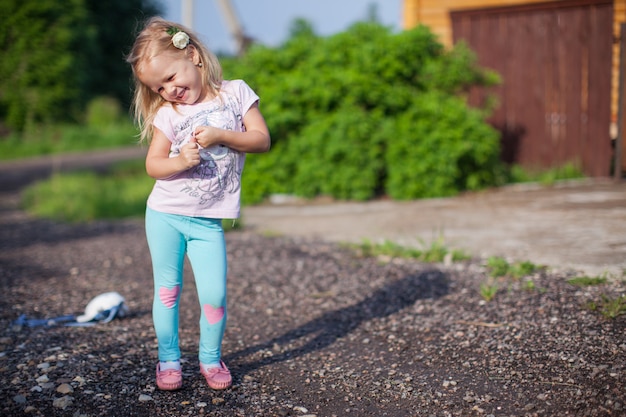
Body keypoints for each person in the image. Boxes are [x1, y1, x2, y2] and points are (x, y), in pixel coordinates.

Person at [126, 17, 271, 391]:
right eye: (159, 86)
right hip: (165, 216)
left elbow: (260, 140)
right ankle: (169, 361)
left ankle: (210, 357)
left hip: (207, 222)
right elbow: (153, 165)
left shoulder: (236, 94)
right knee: (168, 291)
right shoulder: (167, 114)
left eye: (172, 78)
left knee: (215, 294)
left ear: (193, 56)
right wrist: (180, 162)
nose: (170, 90)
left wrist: (223, 135)